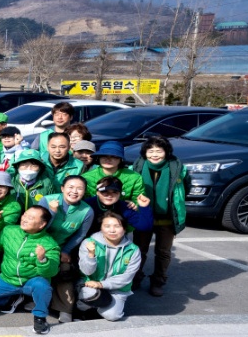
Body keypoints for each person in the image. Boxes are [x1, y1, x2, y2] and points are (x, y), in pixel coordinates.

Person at [0, 206, 61, 335]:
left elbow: (51, 272)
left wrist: (42, 259)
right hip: (7, 279)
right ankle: (9, 298)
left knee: (43, 286)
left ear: (42, 224)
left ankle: (40, 318)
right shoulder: (9, 231)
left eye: (31, 218)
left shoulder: (49, 244)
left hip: (30, 281)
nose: (24, 219)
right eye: (25, 215)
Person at [133, 136, 188, 297]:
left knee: (163, 251)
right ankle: (135, 277)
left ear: (166, 152)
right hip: (144, 214)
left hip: (167, 217)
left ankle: (158, 281)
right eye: (151, 151)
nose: (154, 154)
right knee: (139, 250)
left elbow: (186, 187)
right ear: (145, 152)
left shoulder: (176, 168)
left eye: (159, 151)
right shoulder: (137, 166)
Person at [43, 175, 96, 324]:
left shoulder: (87, 211)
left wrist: (65, 251)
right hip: (39, 244)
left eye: (79, 188)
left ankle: (65, 309)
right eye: (70, 187)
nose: (74, 191)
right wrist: (52, 213)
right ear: (62, 189)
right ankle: (33, 300)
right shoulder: (47, 200)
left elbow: (80, 234)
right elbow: (37, 227)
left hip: (61, 248)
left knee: (65, 271)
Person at [77, 212, 142, 321]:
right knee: (88, 294)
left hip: (117, 289)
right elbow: (86, 271)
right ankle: (82, 308)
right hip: (91, 286)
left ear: (125, 229)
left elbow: (127, 277)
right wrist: (91, 255)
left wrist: (102, 284)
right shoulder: (89, 243)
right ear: (101, 228)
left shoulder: (133, 250)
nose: (112, 230)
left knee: (113, 316)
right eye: (107, 226)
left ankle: (100, 306)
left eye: (117, 226)